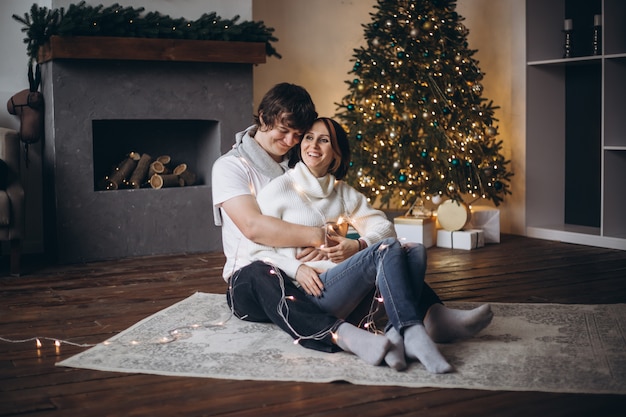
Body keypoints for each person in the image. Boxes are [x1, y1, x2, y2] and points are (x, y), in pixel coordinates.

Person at [249, 117, 494, 373]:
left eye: (324, 140)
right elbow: (254, 251)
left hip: (350, 289)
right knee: (387, 249)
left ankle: (411, 328)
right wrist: (295, 268)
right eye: (309, 137)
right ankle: (415, 329)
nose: (314, 146)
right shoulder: (278, 190)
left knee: (415, 250)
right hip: (312, 293)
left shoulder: (342, 192)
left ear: (336, 153)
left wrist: (357, 245)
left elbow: (385, 227)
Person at [212, 83, 392, 366]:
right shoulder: (231, 167)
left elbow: (336, 213)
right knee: (261, 272)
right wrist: (319, 238)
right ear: (263, 117)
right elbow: (253, 228)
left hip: (311, 278)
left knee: (377, 261)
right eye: (283, 130)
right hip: (253, 282)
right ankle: (338, 334)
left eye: (297, 135)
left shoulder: (301, 162)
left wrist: (338, 244)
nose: (289, 141)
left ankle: (424, 317)